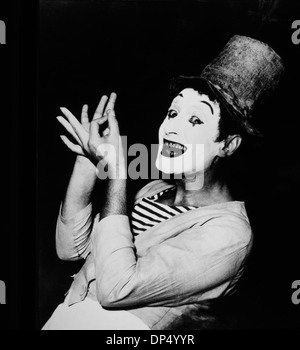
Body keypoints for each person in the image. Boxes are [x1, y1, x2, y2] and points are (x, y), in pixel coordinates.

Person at [42, 35, 284, 330]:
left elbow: (116, 289)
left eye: (195, 121)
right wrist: (89, 162)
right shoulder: (153, 191)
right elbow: (70, 249)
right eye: (173, 112)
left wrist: (118, 173)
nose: (172, 127)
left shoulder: (231, 235)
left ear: (228, 145)